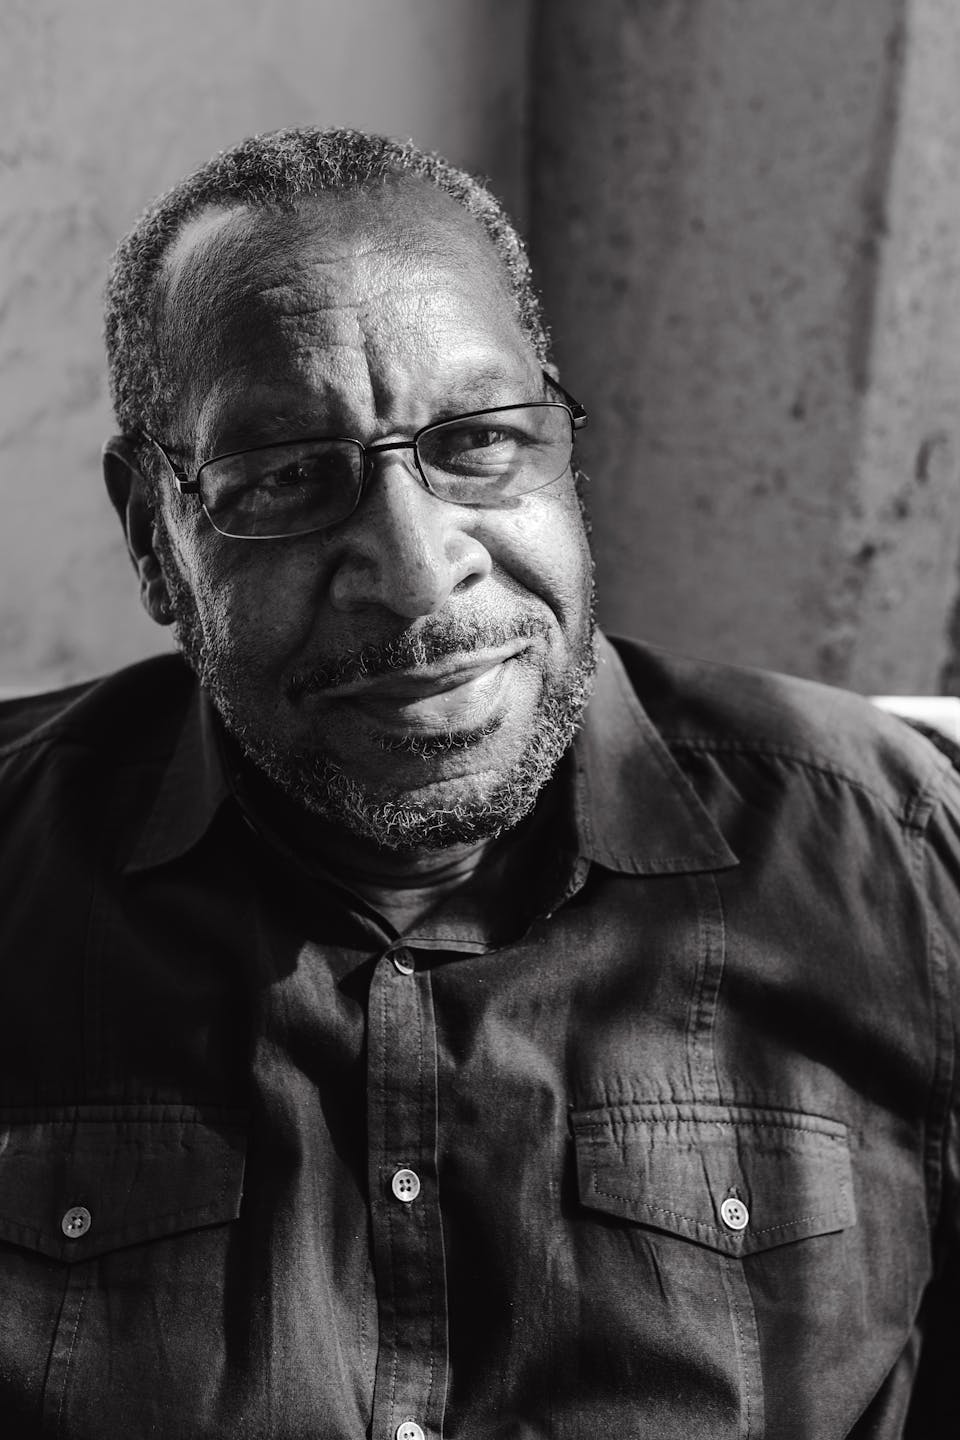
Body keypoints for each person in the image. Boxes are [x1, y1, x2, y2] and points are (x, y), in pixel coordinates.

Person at [0, 125, 958, 1440]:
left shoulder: (899, 871)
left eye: (479, 441)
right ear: (153, 537)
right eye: (288, 478)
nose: (415, 571)